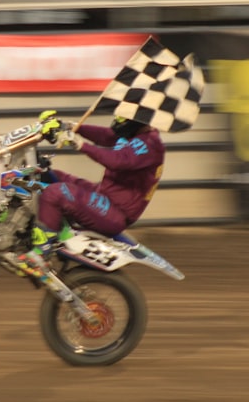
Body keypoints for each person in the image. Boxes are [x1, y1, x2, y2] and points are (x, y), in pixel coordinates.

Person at [14, 110, 166, 280]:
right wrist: (71, 126)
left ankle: (41, 255)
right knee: (50, 175)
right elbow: (107, 136)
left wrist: (80, 145)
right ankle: (31, 228)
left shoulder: (150, 144)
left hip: (114, 212)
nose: (118, 120)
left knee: (55, 192)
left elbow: (117, 161)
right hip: (104, 196)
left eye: (123, 117)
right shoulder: (133, 133)